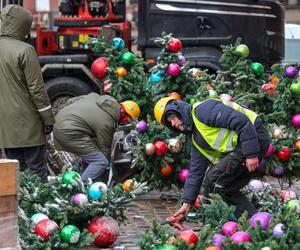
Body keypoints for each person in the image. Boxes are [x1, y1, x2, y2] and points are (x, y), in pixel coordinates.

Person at [154, 96, 270, 219]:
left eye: (172, 117)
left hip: (254, 136)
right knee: (220, 187)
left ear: (179, 111)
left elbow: (241, 121)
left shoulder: (203, 111)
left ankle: (248, 220)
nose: (173, 123)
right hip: (244, 146)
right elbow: (196, 172)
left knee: (214, 180)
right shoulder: (195, 138)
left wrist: (251, 153)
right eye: (169, 122)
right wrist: (187, 202)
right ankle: (253, 221)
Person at [0, 5, 55, 183]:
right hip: (29, 122)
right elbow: (37, 89)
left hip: (5, 124)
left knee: (15, 171)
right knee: (37, 170)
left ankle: (17, 208)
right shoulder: (25, 50)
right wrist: (48, 118)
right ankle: (40, 208)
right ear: (23, 26)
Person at [53, 93, 140, 183]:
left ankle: (83, 177)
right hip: (69, 131)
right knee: (100, 162)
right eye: (128, 120)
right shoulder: (108, 122)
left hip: (60, 120)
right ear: (125, 116)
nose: (126, 123)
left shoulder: (96, 97)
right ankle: (80, 188)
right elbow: (105, 149)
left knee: (92, 155)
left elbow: (70, 101)